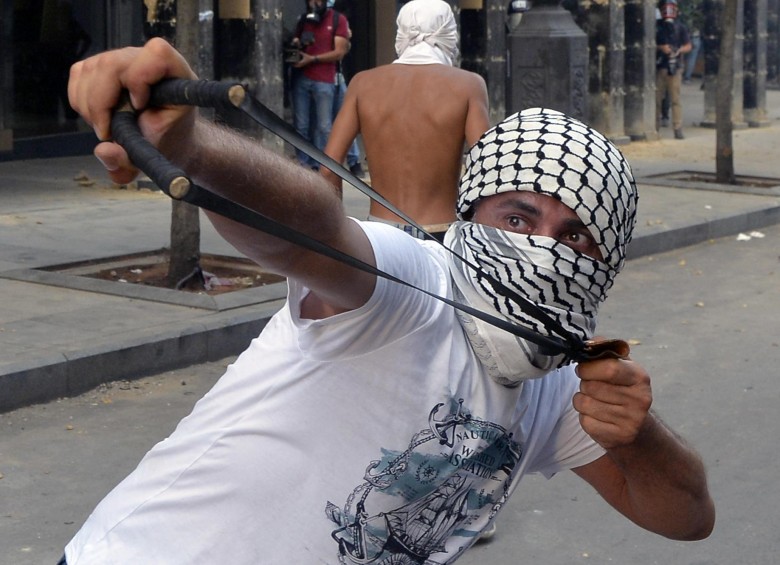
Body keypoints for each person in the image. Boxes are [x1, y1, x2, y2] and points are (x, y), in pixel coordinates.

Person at [64, 38, 714, 564]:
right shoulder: (415, 283)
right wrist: (194, 147)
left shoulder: (557, 384)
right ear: (475, 212)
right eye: (518, 219)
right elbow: (315, 230)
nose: (544, 249)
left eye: (575, 237)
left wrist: (638, 432)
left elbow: (687, 517)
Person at [322, 0, 490, 241]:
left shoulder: (363, 83)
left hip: (380, 235)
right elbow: (487, 167)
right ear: (448, 33)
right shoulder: (468, 85)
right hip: (442, 233)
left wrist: (336, 235)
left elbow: (328, 169)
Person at [290, 0, 350, 170]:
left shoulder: (338, 20)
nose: (314, 3)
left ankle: (324, 165)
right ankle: (304, 163)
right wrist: (297, 44)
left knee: (324, 126)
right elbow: (296, 43)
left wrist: (313, 59)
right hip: (302, 78)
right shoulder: (304, 20)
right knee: (301, 125)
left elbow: (339, 52)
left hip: (325, 79)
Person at [656, 0, 691, 140]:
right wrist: (661, 48)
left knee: (675, 99)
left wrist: (679, 50)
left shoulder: (680, 27)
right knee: (657, 99)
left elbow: (688, 45)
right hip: (660, 66)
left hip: (675, 66)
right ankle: (655, 126)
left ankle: (677, 127)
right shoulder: (658, 26)